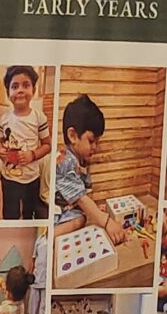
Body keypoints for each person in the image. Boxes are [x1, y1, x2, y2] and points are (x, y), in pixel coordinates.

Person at [54, 94, 126, 243]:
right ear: (73, 136)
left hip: (69, 209)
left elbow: (84, 193)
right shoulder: (65, 161)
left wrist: (95, 209)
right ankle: (48, 237)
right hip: (56, 212)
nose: (95, 147)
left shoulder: (81, 160)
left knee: (84, 216)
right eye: (91, 141)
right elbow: (81, 199)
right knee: (80, 219)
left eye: (97, 142)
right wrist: (106, 222)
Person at [0, 66, 50, 219]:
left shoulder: (39, 118)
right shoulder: (4, 119)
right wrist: (0, 150)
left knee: (28, 214)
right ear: (8, 93)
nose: (20, 90)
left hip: (31, 178)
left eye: (26, 85)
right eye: (14, 86)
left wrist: (32, 155)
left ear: (34, 90)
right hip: (9, 178)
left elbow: (47, 145)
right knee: (9, 215)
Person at [26, 229, 48, 314]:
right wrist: (30, 273)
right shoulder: (40, 239)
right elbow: (33, 258)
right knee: (33, 302)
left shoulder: (53, 238)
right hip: (36, 275)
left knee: (44, 304)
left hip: (46, 277)